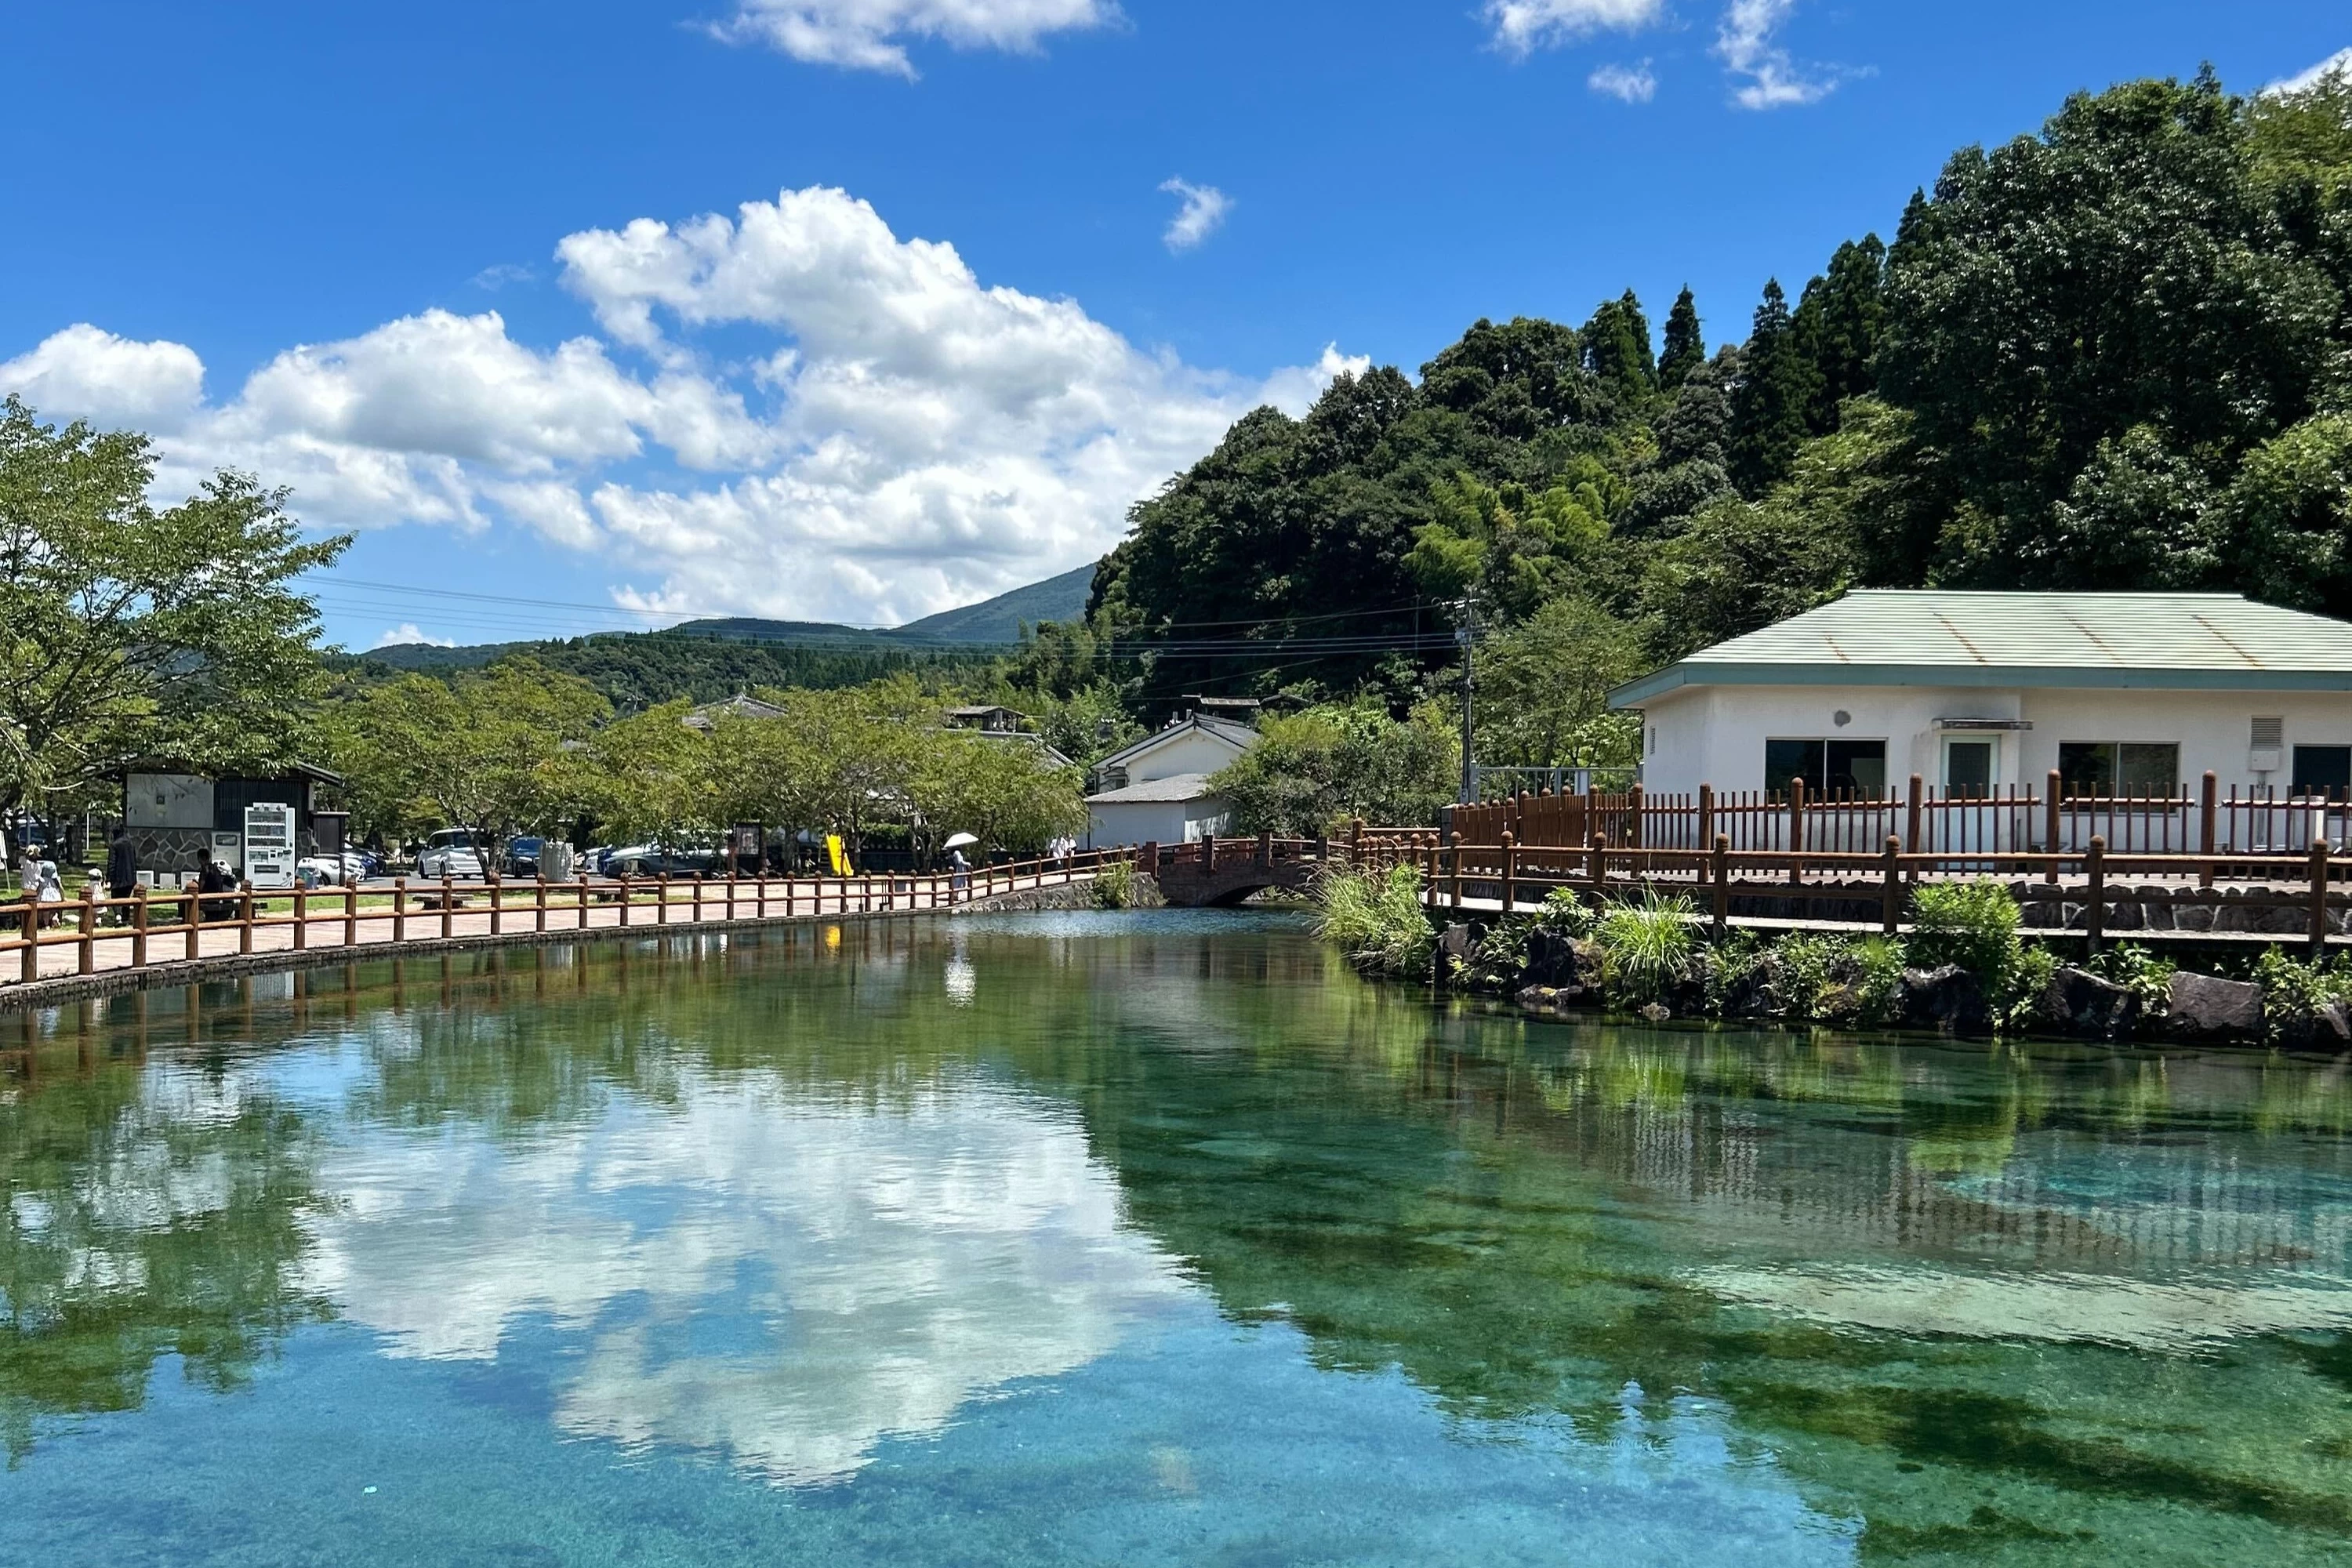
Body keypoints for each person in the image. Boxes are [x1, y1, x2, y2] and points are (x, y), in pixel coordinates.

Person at [106, 825, 137, 926]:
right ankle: (125, 919)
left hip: (118, 877)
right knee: (126, 898)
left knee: (115, 897)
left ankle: (118, 916)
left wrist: (109, 878)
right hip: (130, 877)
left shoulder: (114, 845)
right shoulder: (130, 843)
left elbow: (112, 863)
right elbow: (135, 861)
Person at [198, 855, 237, 922]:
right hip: (218, 899)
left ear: (199, 859)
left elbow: (201, 887)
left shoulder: (205, 870)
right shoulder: (217, 870)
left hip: (207, 899)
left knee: (188, 898)